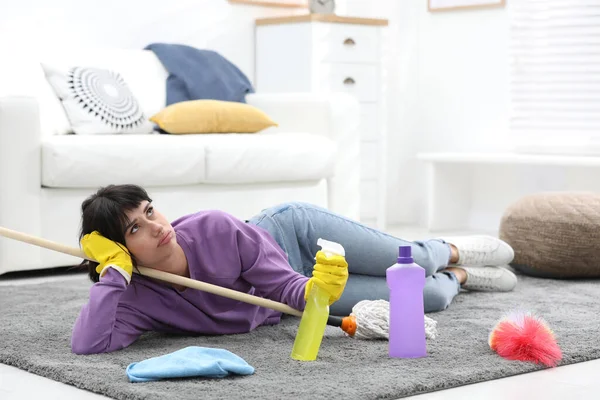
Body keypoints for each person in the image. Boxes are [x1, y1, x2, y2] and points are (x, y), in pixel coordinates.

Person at [72, 184, 517, 355]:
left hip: (294, 239)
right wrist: (112, 275)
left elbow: (284, 284)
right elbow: (88, 344)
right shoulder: (132, 292)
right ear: (114, 249)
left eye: (151, 211)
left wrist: (315, 285)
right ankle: (461, 278)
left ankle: (451, 250)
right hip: (290, 298)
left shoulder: (215, 229)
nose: (156, 226)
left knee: (414, 263)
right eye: (135, 228)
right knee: (430, 297)